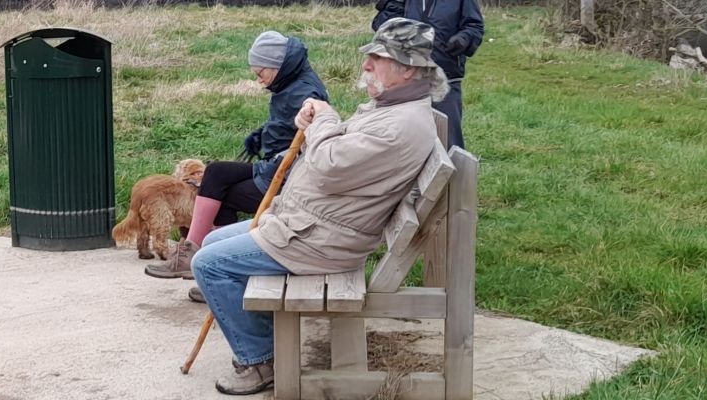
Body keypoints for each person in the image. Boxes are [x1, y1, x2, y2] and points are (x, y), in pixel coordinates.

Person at [192, 19, 450, 395]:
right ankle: (269, 342)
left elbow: (329, 164)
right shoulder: (392, 109)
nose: (365, 66)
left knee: (208, 264)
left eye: (376, 59)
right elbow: (337, 150)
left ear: (407, 68)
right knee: (212, 246)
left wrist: (324, 118)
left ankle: (259, 361)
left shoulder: (400, 124)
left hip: (320, 241)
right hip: (309, 226)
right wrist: (315, 122)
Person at [144, 31, 330, 282]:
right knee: (216, 173)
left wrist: (271, 142)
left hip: (289, 176)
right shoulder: (291, 81)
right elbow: (285, 126)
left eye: (260, 72)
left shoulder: (304, 93)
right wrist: (263, 134)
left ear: (277, 66)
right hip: (275, 165)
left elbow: (309, 139)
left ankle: (218, 271)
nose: (258, 80)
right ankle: (196, 256)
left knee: (222, 195)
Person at [374, 0, 483, 149]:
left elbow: (474, 27)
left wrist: (464, 39)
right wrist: (394, 5)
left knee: (448, 142)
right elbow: (382, 29)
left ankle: (455, 172)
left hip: (446, 79)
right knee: (402, 140)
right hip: (405, 80)